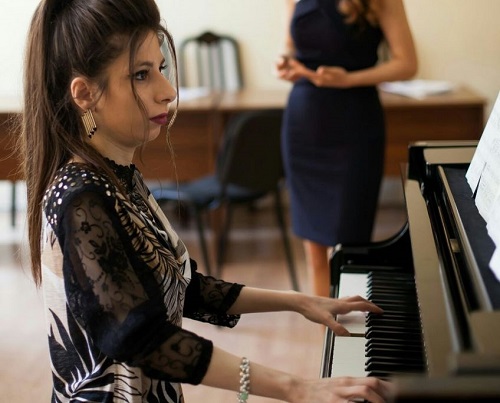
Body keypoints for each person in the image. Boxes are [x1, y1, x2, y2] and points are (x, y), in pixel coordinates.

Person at [19, 0, 392, 402]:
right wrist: (297, 388)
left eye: (160, 69)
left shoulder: (117, 177)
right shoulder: (82, 199)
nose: (167, 92)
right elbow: (143, 338)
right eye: (141, 75)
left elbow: (184, 287)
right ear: (85, 93)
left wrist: (299, 302)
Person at [275, 0, 418, 297]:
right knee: (313, 249)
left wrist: (349, 79)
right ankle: (323, 325)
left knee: (349, 245)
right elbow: (290, 43)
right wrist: (285, 60)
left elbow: (407, 63)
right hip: (305, 121)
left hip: (355, 122)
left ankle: (347, 322)